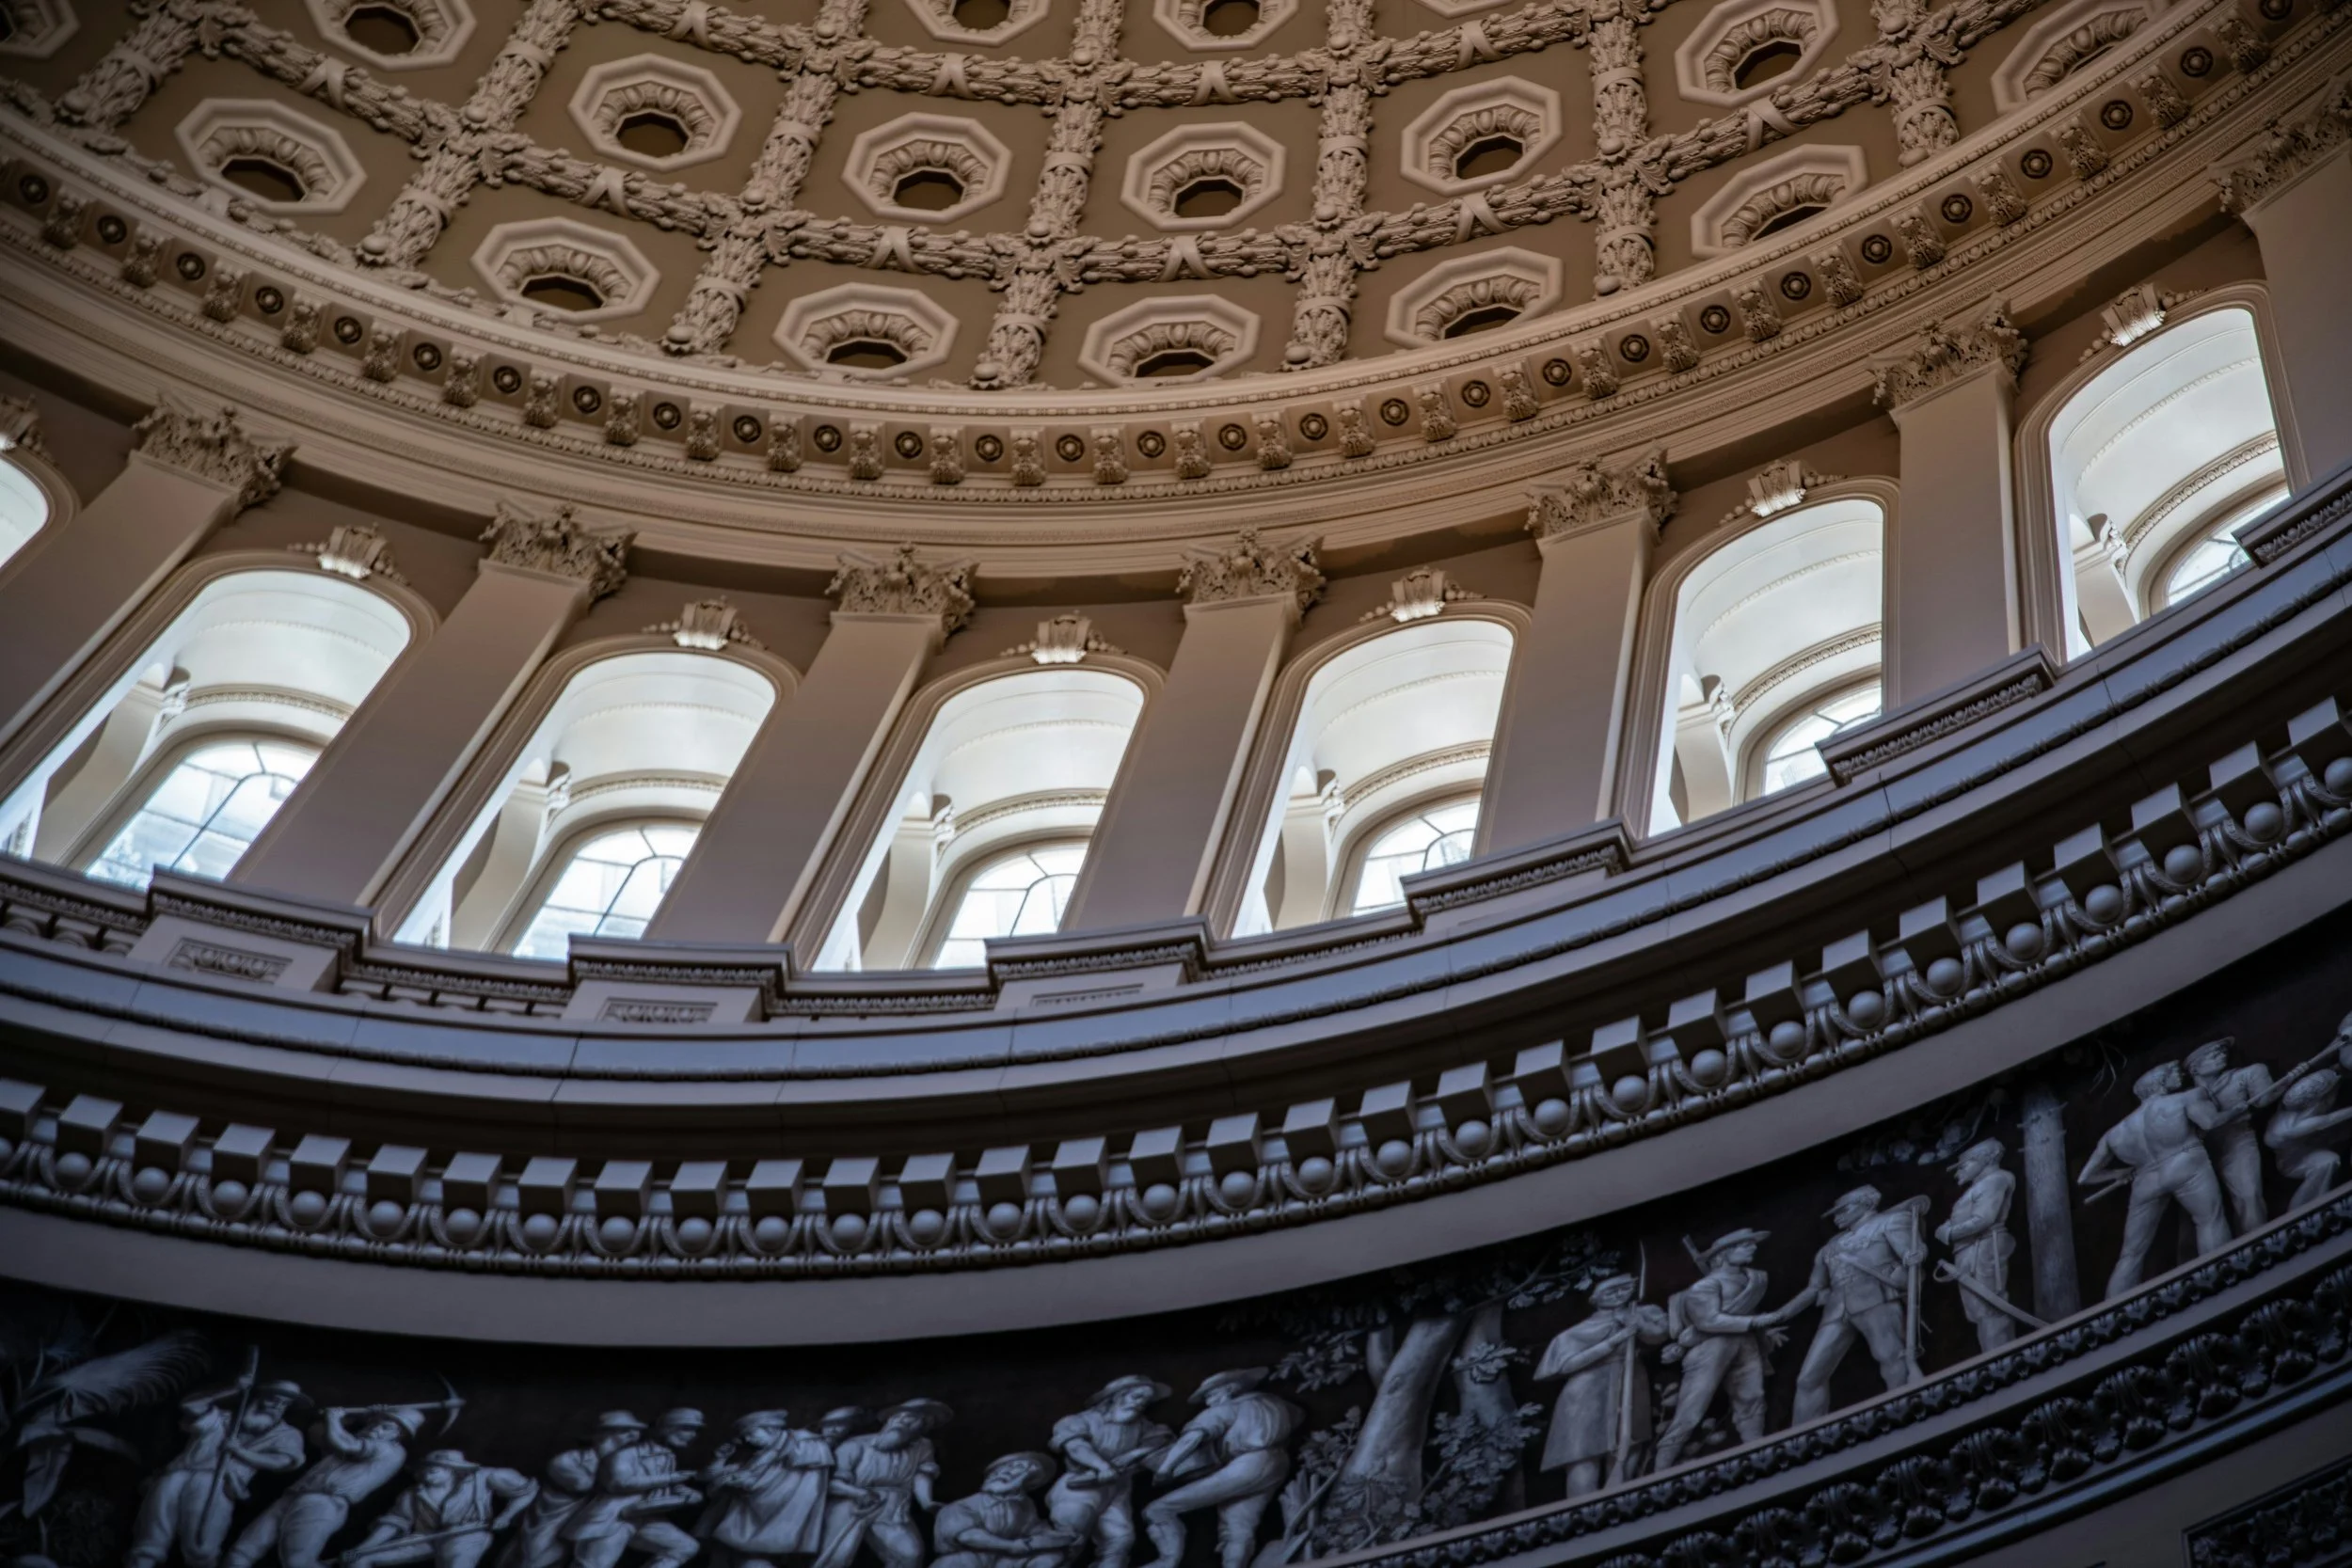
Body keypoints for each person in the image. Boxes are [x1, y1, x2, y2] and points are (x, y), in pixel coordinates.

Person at [2079, 1061, 2236, 1297]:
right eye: (2172, 1072)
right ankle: (2225, 1283)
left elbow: (2086, 1177)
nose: (2179, 1075)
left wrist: (2118, 1173)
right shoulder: (2185, 1098)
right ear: (2160, 1082)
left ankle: (2114, 1307)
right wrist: (2238, 1109)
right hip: (2185, 1163)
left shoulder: (2116, 1132)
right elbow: (2210, 1122)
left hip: (2146, 1179)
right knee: (2210, 1221)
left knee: (2131, 1253)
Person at [1651, 1230, 1804, 1471]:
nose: (1752, 1248)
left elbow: (1745, 1313)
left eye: (1752, 1245)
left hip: (1745, 1343)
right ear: (1723, 1254)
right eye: (1745, 1245)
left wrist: (1763, 1331)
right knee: (1691, 1412)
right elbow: (1708, 1321)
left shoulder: (1754, 1279)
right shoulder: (1706, 1286)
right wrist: (1756, 1323)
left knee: (1752, 1398)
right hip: (1709, 1348)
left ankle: (1757, 1452)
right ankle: (1660, 1470)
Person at [127, 1377, 307, 1568]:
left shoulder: (286, 1434)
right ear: (258, 1397)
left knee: (201, 1547)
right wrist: (232, 1388)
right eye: (273, 1399)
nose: (277, 1406)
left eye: (284, 1403)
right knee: (150, 1539)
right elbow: (190, 1405)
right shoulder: (222, 1417)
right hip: (176, 1476)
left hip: (217, 1484)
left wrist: (240, 1451)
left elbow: (282, 1461)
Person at [1788, 1187, 1929, 1422]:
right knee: (1808, 1378)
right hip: (1836, 1309)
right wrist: (1779, 1315)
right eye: (1835, 1212)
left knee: (1892, 1358)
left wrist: (1913, 1257)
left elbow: (1913, 1253)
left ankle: (1906, 1414)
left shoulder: (1892, 1220)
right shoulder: (1832, 1245)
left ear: (1867, 1203)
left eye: (1844, 1209)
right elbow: (1814, 1288)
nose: (1837, 1217)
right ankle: (1803, 1432)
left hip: (1877, 1298)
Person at [225, 1405, 424, 1568]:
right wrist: (349, 1418)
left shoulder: (390, 1450)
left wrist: (334, 1419)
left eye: (386, 1427)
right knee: (243, 1550)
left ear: (399, 1435)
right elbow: (317, 1433)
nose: (375, 1429)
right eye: (375, 1423)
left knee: (297, 1562)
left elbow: (347, 1445)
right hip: (294, 1496)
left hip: (324, 1502)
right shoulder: (354, 1443)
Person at [1137, 1370, 1300, 1568]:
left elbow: (1192, 1438)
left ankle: (1166, 1562)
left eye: (1211, 1395)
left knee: (1157, 1510)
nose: (1208, 1402)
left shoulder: (1228, 1407)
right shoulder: (1275, 1403)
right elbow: (1297, 1420)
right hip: (1277, 1464)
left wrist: (1165, 1469)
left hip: (1246, 1464)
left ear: (1229, 1389)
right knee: (1238, 1529)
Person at [1532, 1275, 1670, 1497]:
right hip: (1586, 1393)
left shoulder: (1642, 1313)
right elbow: (1566, 1365)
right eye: (1610, 1292)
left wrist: (1637, 1324)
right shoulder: (1576, 1332)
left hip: (1631, 1381)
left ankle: (1623, 1498)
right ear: (1595, 1300)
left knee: (1628, 1444)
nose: (1618, 1294)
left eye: (1624, 1288)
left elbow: (1661, 1335)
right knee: (1582, 1455)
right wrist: (1612, 1342)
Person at [1043, 1376, 1171, 1568]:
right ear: (1117, 1397)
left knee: (1120, 1540)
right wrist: (1103, 1467)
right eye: (1137, 1397)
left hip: (1118, 1490)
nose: (1141, 1404)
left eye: (1146, 1401)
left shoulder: (1142, 1425)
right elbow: (1076, 1447)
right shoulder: (1079, 1420)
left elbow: (1161, 1439)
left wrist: (1135, 1453)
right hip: (1079, 1487)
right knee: (1068, 1540)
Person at [815, 1399, 952, 1568]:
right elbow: (832, 1483)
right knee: (835, 1559)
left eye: (911, 1419)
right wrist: (859, 1493)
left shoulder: (923, 1447)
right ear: (889, 1420)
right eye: (898, 1417)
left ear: (923, 1427)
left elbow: (922, 1475)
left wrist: (926, 1502)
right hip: (850, 1505)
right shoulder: (855, 1445)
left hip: (893, 1509)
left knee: (909, 1556)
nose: (902, 1422)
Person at [345, 1450, 536, 1568]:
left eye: (433, 1471)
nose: (426, 1476)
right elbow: (394, 1522)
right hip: (425, 1537)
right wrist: (362, 1549)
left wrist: (506, 1516)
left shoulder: (484, 1478)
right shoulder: (413, 1493)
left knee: (453, 1557)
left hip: (466, 1535)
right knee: (357, 1561)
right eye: (424, 1470)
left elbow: (526, 1492)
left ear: (451, 1470)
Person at [564, 1408, 706, 1568]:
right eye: (687, 1429)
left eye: (695, 1430)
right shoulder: (627, 1454)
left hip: (644, 1517)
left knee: (685, 1547)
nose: (693, 1435)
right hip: (614, 1519)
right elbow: (618, 1484)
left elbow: (661, 1485)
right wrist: (670, 1478)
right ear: (667, 1428)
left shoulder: (668, 1456)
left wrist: (687, 1493)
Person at [698, 1410, 838, 1568]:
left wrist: (747, 1482)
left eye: (750, 1434)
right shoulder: (767, 1451)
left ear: (770, 1429)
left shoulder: (803, 1443)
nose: (747, 1440)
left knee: (750, 1560)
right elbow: (709, 1477)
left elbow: (790, 1481)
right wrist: (721, 1460)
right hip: (749, 1517)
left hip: (776, 1518)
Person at [497, 1415, 640, 1568]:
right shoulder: (566, 1460)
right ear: (602, 1435)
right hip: (552, 1523)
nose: (632, 1437)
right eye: (624, 1432)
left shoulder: (628, 1464)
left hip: (589, 1524)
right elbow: (583, 1485)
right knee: (533, 1561)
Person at [1937, 1139, 2021, 1354]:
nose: (1958, 1174)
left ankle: (2002, 1358)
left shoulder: (1994, 1180)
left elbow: (1983, 1219)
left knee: (1990, 1310)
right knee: (1979, 1312)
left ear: (1984, 1159)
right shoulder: (1981, 1185)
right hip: (1970, 1250)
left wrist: (1948, 1232)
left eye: (1963, 1166)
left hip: (1983, 1247)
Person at [2186, 1037, 2275, 1233]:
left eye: (2223, 1052)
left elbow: (2265, 1099)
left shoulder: (2242, 1076)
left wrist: (2274, 1081)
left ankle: (2257, 1239)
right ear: (2195, 1069)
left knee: (2249, 1195)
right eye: (2214, 1054)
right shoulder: (2185, 1099)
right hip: (2201, 1154)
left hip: (2237, 1141)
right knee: (2209, 1213)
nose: (2222, 1055)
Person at [931, 1454, 1077, 1568]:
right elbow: (968, 1536)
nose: (1007, 1472)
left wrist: (1064, 1537)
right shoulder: (961, 1507)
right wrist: (1011, 1546)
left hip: (1001, 1561)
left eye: (1019, 1469)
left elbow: (1035, 1529)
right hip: (964, 1563)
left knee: (1052, 1556)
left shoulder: (1024, 1506)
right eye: (1003, 1469)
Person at [2265, 1069, 2352, 1210]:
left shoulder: (2291, 1107)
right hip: (2293, 1162)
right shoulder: (2294, 1125)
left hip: (2310, 1144)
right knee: (2327, 1161)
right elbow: (2329, 1119)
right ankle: (2304, 1209)